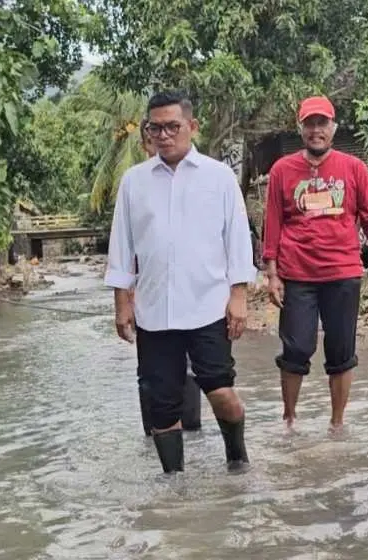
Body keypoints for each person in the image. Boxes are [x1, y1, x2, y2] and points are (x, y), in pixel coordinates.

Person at [105, 90, 256, 474]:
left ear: (192, 126)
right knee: (162, 405)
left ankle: (237, 458)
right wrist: (122, 303)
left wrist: (238, 295)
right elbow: (122, 245)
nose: (164, 135)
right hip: (155, 312)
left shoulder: (219, 177)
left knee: (221, 391)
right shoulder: (134, 182)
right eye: (155, 128)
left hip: (208, 305)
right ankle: (174, 485)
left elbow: (238, 239)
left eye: (172, 126)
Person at [262, 95, 368, 434]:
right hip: (297, 274)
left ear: (333, 128)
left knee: (341, 351)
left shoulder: (354, 168)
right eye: (310, 124)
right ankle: (289, 421)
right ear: (301, 129)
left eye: (322, 123)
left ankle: (337, 425)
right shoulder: (282, 170)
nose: (316, 130)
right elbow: (272, 225)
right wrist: (272, 274)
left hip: (343, 273)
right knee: (296, 348)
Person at [131, 119, 202, 437]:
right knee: (151, 373)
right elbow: (129, 250)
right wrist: (125, 299)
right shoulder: (136, 186)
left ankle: (191, 426)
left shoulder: (195, 184)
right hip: (150, 298)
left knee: (189, 367)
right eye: (152, 138)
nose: (160, 142)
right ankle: (157, 431)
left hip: (192, 296)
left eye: (169, 132)